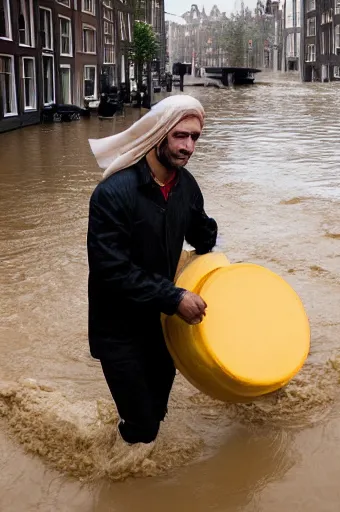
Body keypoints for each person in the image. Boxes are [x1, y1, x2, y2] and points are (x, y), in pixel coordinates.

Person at [86, 95, 217, 449]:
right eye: (180, 136)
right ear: (159, 134)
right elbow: (110, 270)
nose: (188, 146)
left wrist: (205, 230)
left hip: (162, 325)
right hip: (118, 329)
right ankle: (115, 467)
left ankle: (132, 455)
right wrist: (175, 296)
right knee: (142, 425)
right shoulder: (112, 194)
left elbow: (202, 237)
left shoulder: (185, 186)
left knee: (156, 413)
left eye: (194, 138)